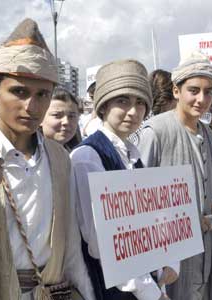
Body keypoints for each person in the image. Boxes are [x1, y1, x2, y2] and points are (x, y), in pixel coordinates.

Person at [0, 18, 94, 300]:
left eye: (42, 95)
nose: (32, 106)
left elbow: (70, 246)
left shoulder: (59, 157)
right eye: (19, 92)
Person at [70, 59, 175, 300]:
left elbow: (144, 227)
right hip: (113, 290)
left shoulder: (132, 156)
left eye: (140, 103)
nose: (133, 111)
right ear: (103, 106)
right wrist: (149, 291)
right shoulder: (88, 157)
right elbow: (101, 244)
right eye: (122, 101)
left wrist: (163, 269)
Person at [138, 51, 212, 300]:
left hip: (203, 251)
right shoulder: (155, 131)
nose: (201, 98)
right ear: (176, 91)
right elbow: (138, 199)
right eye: (194, 90)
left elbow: (209, 184)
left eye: (208, 91)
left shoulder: (208, 133)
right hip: (169, 254)